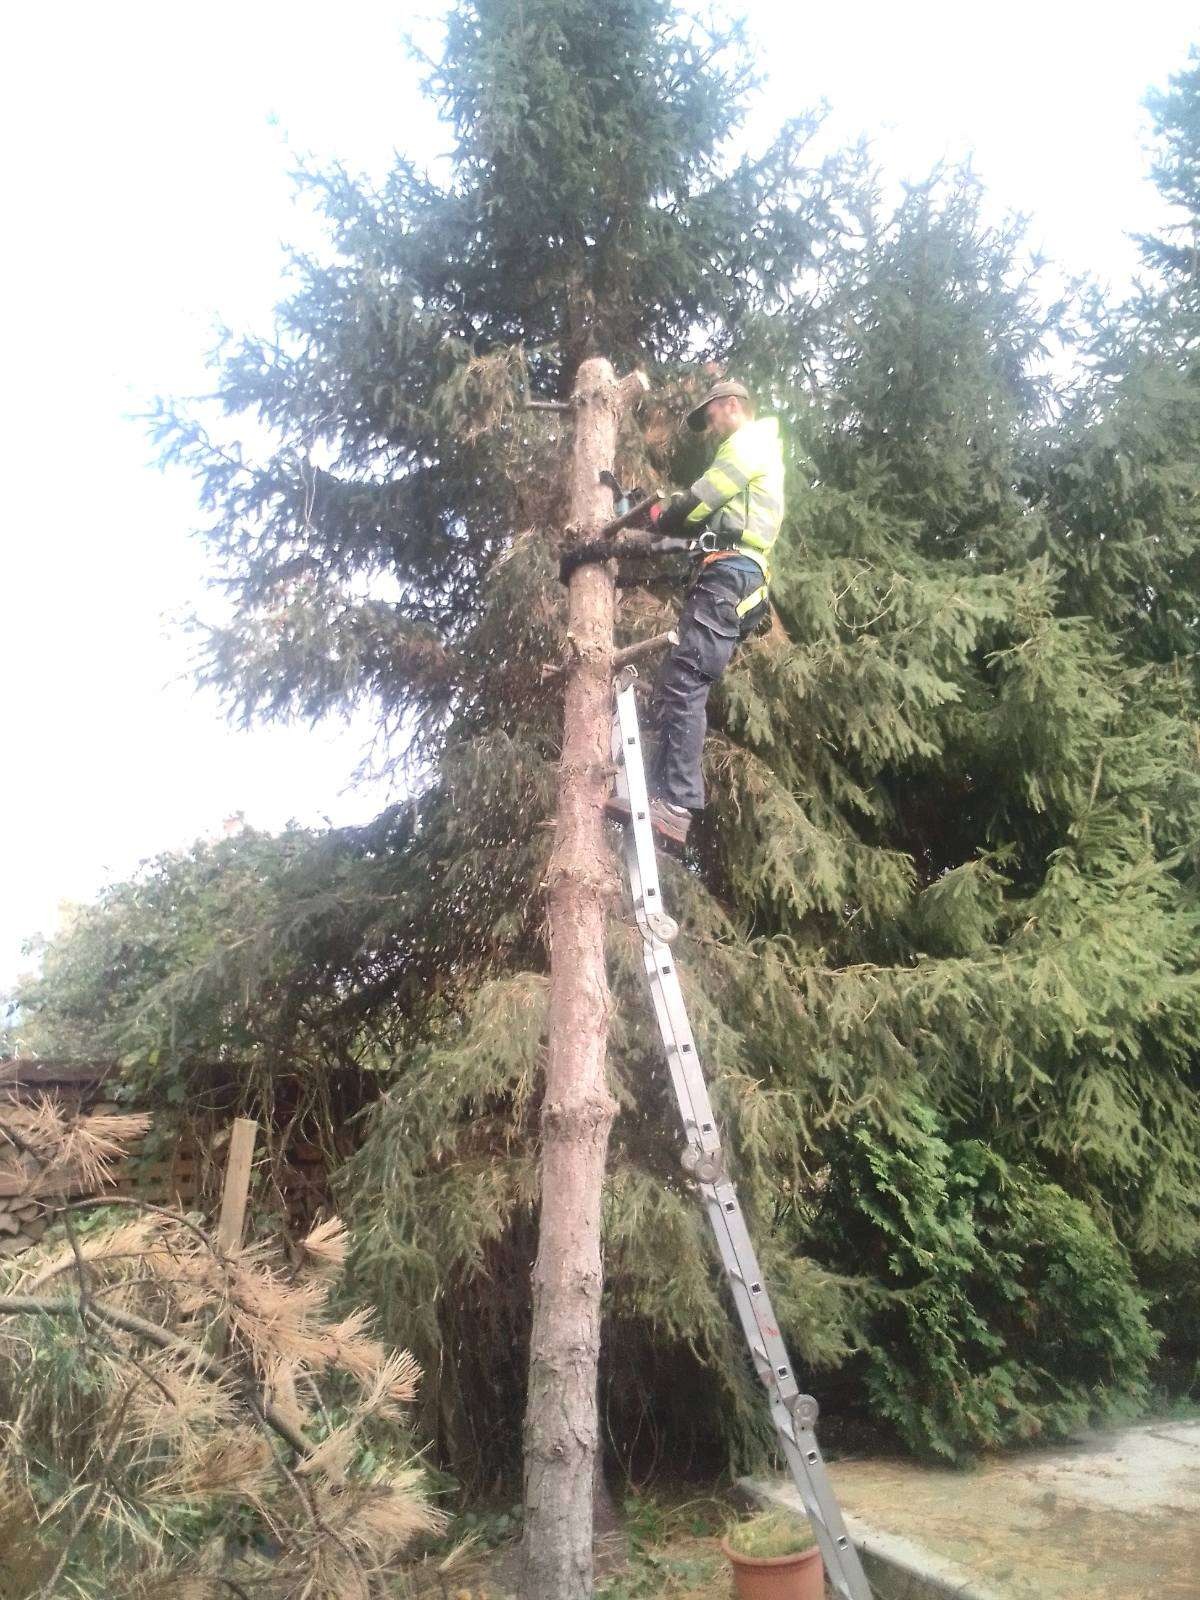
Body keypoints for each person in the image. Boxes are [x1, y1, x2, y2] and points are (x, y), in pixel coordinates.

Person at [607, 379, 785, 845]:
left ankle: (677, 803)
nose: (708, 427)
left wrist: (661, 513)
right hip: (726, 574)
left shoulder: (749, 444)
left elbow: (699, 501)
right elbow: (697, 528)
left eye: (710, 416)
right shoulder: (747, 466)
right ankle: (665, 799)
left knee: (685, 682)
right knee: (677, 680)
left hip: (734, 575)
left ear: (730, 406)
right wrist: (654, 530)